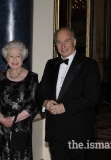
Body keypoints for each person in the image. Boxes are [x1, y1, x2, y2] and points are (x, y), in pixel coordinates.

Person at [36, 27, 101, 160]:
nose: (63, 46)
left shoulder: (89, 65)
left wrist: (65, 106)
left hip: (79, 132)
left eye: (66, 41)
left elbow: (92, 96)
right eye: (59, 42)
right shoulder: (51, 64)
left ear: (74, 42)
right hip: (55, 132)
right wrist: (45, 102)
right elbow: (40, 91)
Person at [0, 40, 38, 160]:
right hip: (0, 128)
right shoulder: (0, 76)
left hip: (21, 128)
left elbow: (33, 104)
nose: (14, 60)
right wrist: (1, 118)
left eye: (18, 56)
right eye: (11, 56)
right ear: (6, 58)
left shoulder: (32, 77)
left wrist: (13, 119)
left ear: (23, 57)